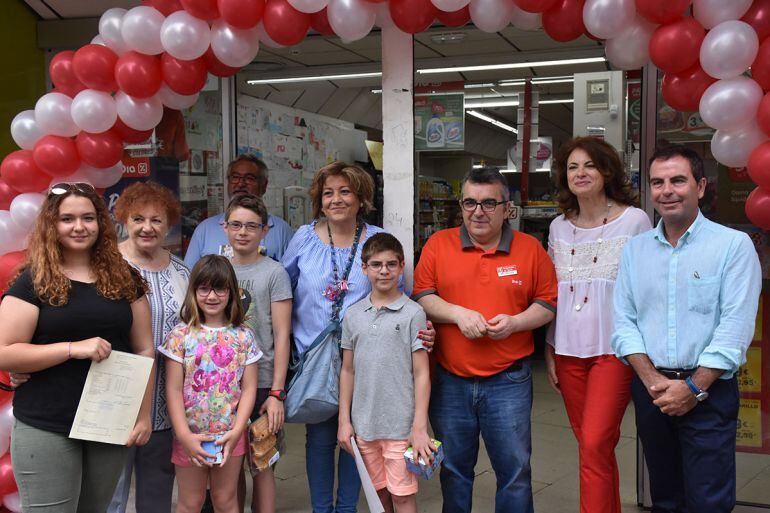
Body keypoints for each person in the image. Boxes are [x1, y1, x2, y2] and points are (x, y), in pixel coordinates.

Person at [612, 145, 762, 513]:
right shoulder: (635, 251)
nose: (667, 190)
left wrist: (693, 388)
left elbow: (735, 327)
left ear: (700, 186)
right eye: (657, 182)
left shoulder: (732, 246)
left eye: (678, 180)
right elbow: (623, 322)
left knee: (708, 501)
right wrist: (651, 381)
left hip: (709, 394)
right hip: (653, 391)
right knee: (664, 497)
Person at [282, 162, 435, 513]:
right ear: (319, 201)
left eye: (345, 191)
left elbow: (404, 297)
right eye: (328, 193)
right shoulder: (303, 239)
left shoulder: (376, 241)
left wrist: (425, 332)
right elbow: (283, 292)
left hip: (367, 360)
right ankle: (323, 509)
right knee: (320, 439)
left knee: (360, 439)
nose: (336, 199)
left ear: (361, 197)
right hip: (316, 358)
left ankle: (348, 507)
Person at [0, 182, 154, 513]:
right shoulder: (34, 280)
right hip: (47, 423)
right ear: (51, 225)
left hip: (107, 422)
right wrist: (71, 348)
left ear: (100, 223)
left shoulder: (125, 277)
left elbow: (144, 350)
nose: (79, 227)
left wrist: (142, 414)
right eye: (67, 219)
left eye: (88, 217)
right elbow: (4, 351)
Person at [413, 167, 557, 513]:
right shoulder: (438, 244)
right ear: (460, 206)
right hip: (450, 380)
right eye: (470, 203)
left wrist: (516, 323)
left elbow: (547, 303)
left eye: (489, 203)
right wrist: (458, 314)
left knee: (515, 472)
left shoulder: (530, 249)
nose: (478, 212)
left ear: (508, 208)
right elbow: (422, 295)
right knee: (454, 470)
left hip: (508, 380)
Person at [545, 137, 651, 513]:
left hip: (615, 352)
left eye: (589, 165)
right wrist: (550, 349)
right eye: (572, 167)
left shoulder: (635, 221)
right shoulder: (558, 227)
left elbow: (646, 289)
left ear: (607, 171)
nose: (580, 173)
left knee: (593, 443)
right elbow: (552, 294)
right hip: (568, 352)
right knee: (593, 448)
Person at [107, 182, 190, 513]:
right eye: (138, 218)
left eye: (157, 220)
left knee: (156, 495)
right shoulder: (105, 265)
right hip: (115, 399)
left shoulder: (182, 271)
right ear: (124, 220)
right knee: (108, 494)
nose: (147, 227)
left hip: (165, 403)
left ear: (168, 223)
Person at [338, 233, 433, 513]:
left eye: (391, 264)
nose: (384, 271)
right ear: (364, 268)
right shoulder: (353, 315)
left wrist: (419, 427)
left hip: (401, 427)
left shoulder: (413, 313)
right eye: (376, 264)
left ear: (401, 266)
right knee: (378, 495)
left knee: (402, 496)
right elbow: (347, 370)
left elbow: (421, 374)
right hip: (365, 426)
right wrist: (345, 420)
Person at [160, 255, 260, 513]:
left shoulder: (243, 336)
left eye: (220, 288)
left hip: (229, 435)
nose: (212, 296)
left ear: (231, 292)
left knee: (226, 500)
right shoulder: (180, 335)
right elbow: (172, 388)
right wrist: (184, 436)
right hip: (189, 436)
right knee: (190, 502)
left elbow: (249, 388)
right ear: (193, 290)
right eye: (204, 288)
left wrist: (237, 431)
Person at [224, 194, 292, 513]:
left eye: (252, 226)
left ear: (265, 231)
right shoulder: (217, 269)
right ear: (225, 227)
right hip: (223, 385)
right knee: (230, 466)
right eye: (236, 224)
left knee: (262, 463)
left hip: (264, 383)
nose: (243, 232)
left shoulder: (274, 272)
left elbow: (281, 335)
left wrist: (277, 393)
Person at [184, 154, 293, 267]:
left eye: (249, 178)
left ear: (264, 185)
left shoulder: (282, 231)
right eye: (235, 177)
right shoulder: (205, 229)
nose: (240, 184)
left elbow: (291, 279)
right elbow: (188, 277)